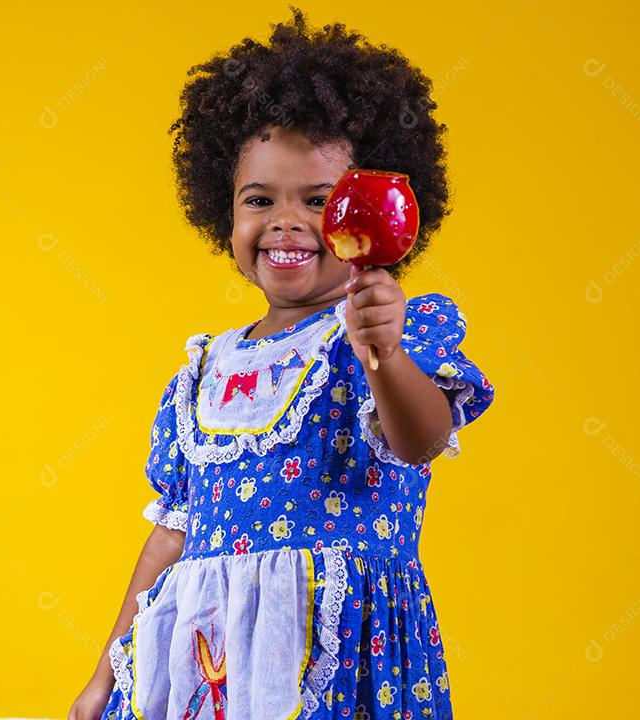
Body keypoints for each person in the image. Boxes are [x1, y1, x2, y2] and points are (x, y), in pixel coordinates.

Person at [69, 7, 495, 719]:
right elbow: (171, 535)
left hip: (334, 654)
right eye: (259, 199)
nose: (287, 221)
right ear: (222, 212)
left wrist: (383, 353)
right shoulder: (199, 375)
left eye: (322, 202)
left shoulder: (389, 334)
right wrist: (105, 674)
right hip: (201, 663)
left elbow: (416, 443)